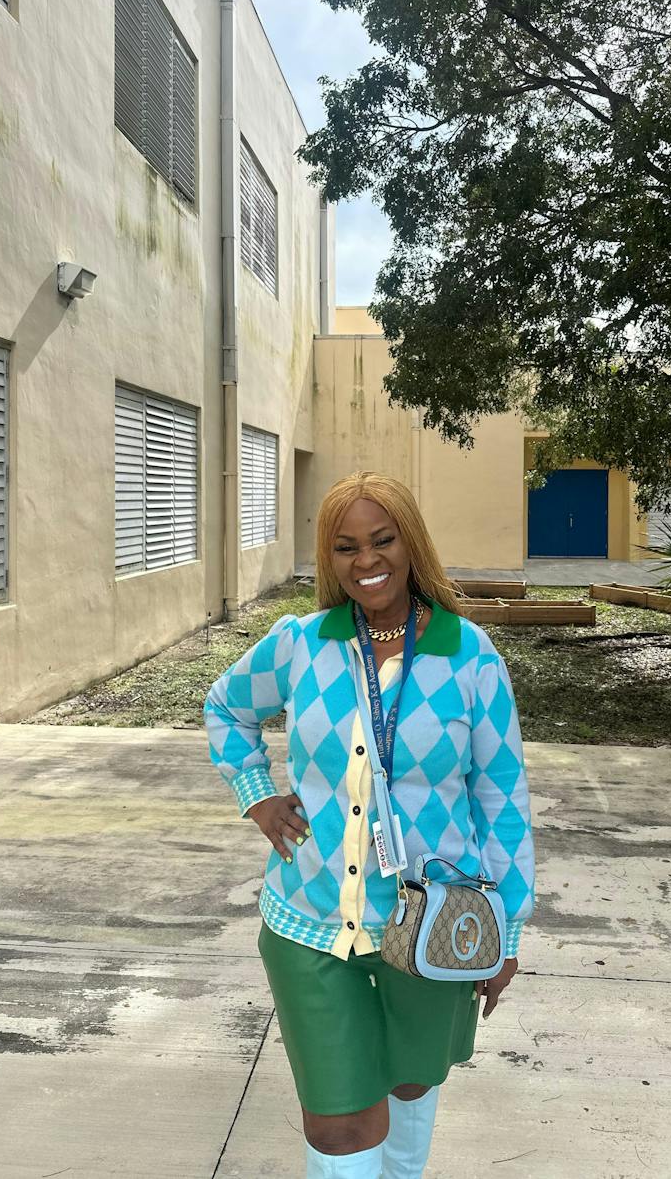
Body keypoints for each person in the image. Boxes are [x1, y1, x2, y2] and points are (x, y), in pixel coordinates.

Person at [203, 471, 535, 1178]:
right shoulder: (301, 644)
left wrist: (506, 932)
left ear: (410, 543)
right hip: (310, 920)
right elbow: (225, 707)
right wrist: (257, 794)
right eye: (346, 546)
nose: (366, 560)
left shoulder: (470, 657)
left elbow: (501, 800)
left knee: (410, 1085)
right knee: (340, 1123)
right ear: (330, 557)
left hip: (431, 926)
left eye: (381, 540)